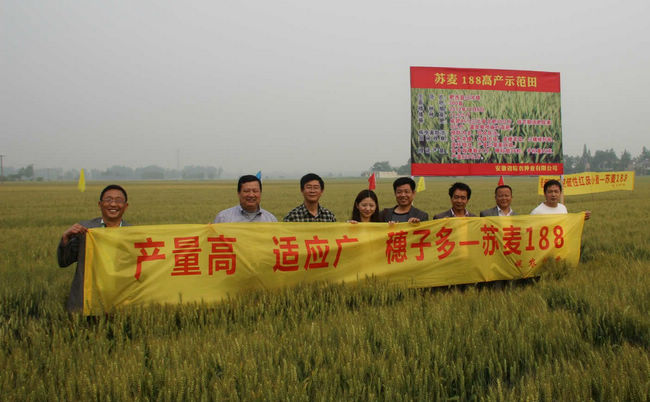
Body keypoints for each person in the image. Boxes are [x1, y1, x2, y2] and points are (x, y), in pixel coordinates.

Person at [57, 184, 130, 312]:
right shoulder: (84, 230)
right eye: (108, 200)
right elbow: (64, 261)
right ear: (100, 204)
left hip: (120, 302)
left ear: (125, 206)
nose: (113, 204)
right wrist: (65, 238)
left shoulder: (133, 234)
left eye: (119, 201)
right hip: (86, 301)